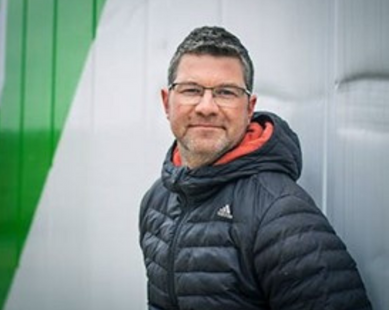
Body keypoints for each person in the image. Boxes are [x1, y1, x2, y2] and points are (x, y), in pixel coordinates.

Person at [139, 26, 372, 310]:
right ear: (167, 102)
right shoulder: (157, 200)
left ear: (249, 108)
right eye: (191, 90)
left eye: (226, 92)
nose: (207, 106)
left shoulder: (281, 214)